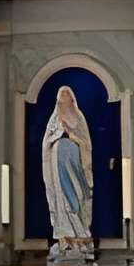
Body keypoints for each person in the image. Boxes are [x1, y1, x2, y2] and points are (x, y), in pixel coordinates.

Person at [42, 85, 96, 254]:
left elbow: (87, 144)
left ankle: (81, 236)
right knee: (62, 200)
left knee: (77, 198)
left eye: (66, 99)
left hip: (76, 166)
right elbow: (46, 143)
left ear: (72, 101)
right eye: (60, 100)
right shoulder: (54, 120)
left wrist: (73, 137)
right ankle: (65, 238)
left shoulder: (79, 118)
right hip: (57, 168)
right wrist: (59, 133)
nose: (63, 103)